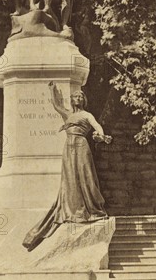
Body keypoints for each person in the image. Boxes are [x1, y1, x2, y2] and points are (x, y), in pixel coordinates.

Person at [23, 81, 112, 251]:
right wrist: (52, 90)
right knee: (70, 180)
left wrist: (101, 135)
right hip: (68, 148)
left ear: (83, 100)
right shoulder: (67, 114)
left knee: (86, 176)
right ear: (71, 100)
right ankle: (74, 211)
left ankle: (92, 208)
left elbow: (97, 126)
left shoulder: (87, 115)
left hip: (81, 145)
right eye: (75, 96)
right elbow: (57, 105)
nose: (78, 98)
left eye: (80, 96)